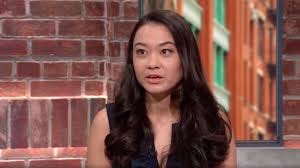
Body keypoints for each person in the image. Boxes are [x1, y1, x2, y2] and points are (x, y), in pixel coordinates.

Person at [86, 10, 236, 168]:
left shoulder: (212, 121)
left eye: (165, 52)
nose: (152, 64)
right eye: (141, 52)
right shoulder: (107, 123)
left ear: (185, 58)